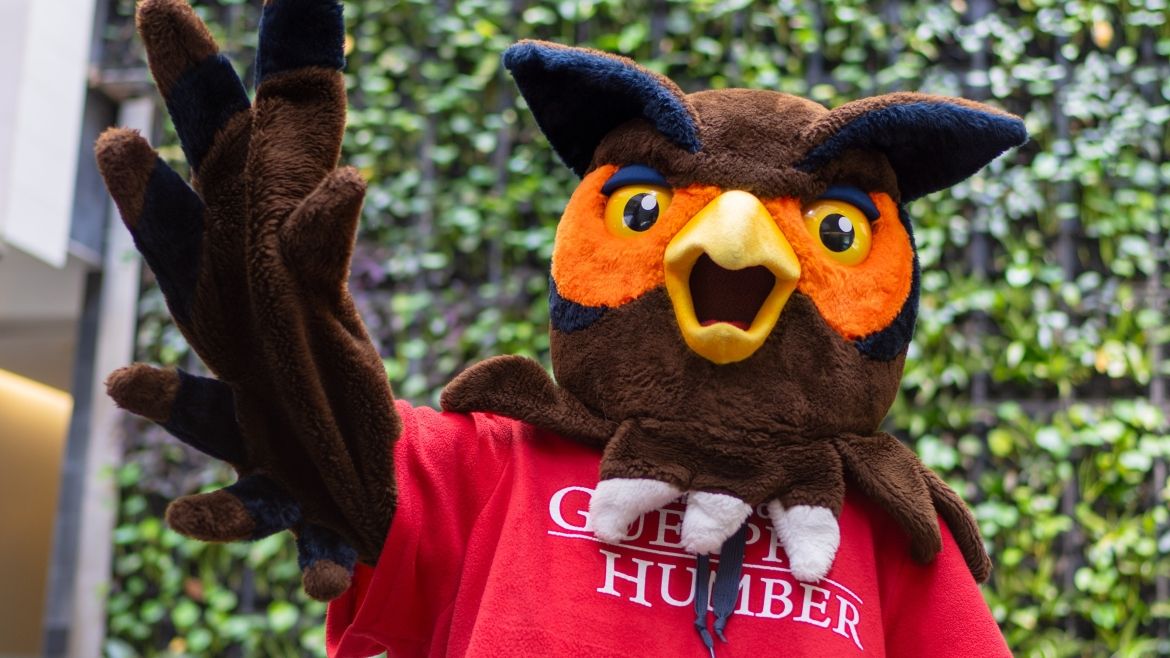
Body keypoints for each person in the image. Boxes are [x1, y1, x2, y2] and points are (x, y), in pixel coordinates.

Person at [97, 0, 1025, 655]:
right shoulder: (487, 469)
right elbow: (341, 439)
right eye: (643, 210)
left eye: (835, 232)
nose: (739, 245)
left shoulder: (890, 530)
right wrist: (280, 322)